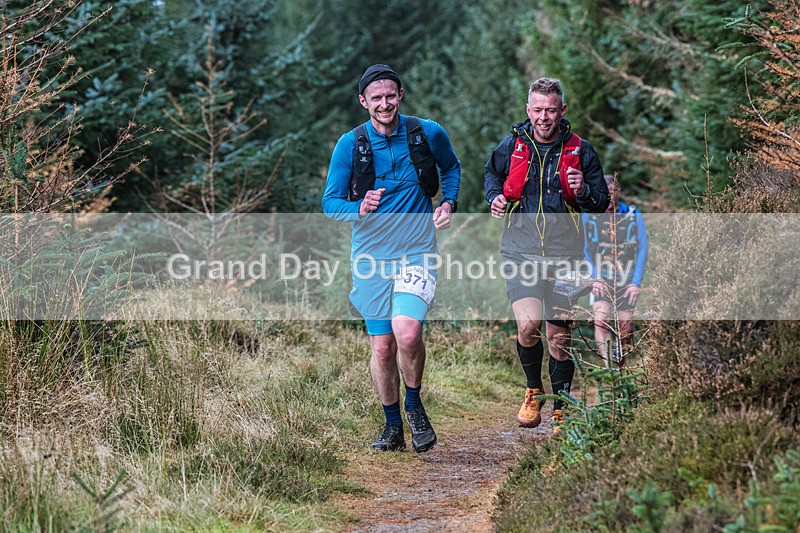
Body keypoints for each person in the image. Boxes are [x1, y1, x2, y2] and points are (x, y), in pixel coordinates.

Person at [322, 64, 461, 452]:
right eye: (376, 98)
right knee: (382, 347)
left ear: (400, 96)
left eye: (390, 95)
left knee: (408, 332)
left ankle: (414, 407)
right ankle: (391, 425)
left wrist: (448, 202)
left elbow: (451, 168)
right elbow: (330, 203)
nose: (384, 103)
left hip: (417, 251)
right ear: (363, 101)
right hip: (369, 258)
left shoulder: (427, 133)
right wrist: (358, 208)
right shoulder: (350, 144)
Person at [484, 77, 609, 434]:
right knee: (528, 326)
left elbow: (600, 205)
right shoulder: (512, 145)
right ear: (528, 110)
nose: (543, 117)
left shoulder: (581, 151)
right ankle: (533, 390)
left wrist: (583, 189)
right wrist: (493, 198)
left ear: (562, 111)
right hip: (519, 250)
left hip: (565, 255)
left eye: (550, 110)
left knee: (559, 337)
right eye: (537, 110)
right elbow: (491, 176)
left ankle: (562, 407)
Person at [582, 175, 648, 367]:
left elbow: (642, 248)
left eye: (613, 190)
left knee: (625, 327)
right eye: (606, 191)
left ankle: (621, 364)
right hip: (600, 278)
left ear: (618, 191)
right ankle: (608, 367)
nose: (610, 195)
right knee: (602, 320)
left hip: (626, 279)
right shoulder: (589, 215)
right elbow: (584, 249)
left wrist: (636, 282)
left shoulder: (633, 214)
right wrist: (594, 277)